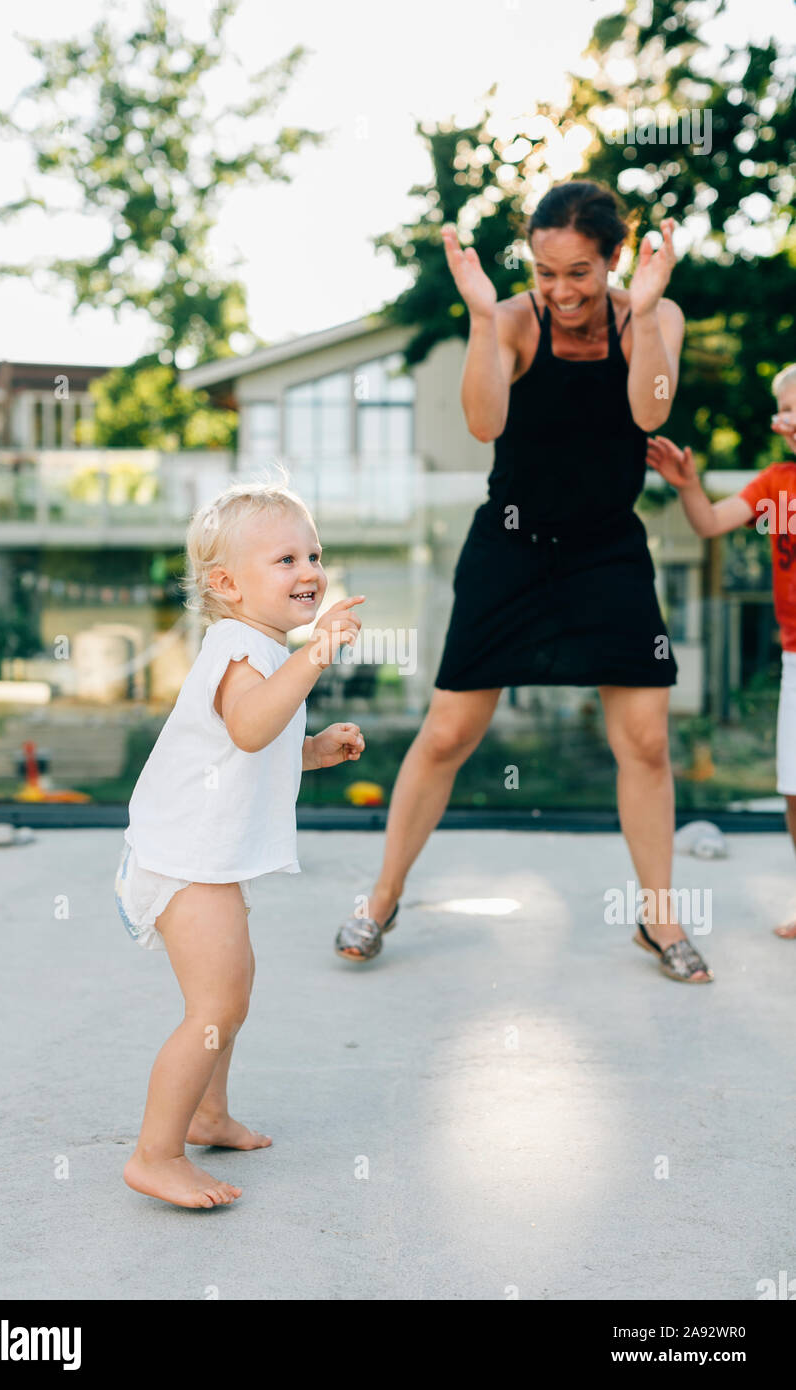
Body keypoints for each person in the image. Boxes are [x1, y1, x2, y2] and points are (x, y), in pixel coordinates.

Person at [334, 178, 713, 983]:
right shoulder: (511, 320)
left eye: (580, 272)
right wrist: (480, 316)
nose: (562, 291)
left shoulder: (655, 314)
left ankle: (660, 918)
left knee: (644, 742)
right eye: (545, 272)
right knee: (446, 736)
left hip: (607, 549)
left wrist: (643, 312)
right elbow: (484, 423)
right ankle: (382, 897)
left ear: (616, 259)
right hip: (511, 548)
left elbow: (650, 412)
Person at [115, 479, 366, 1208]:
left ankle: (207, 1114)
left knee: (233, 994)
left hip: (204, 857)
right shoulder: (239, 646)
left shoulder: (262, 649)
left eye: (313, 554)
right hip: (184, 860)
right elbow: (252, 725)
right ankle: (155, 1154)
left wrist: (316, 748)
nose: (310, 571)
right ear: (227, 584)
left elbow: (258, 740)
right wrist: (317, 654)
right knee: (213, 1006)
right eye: (285, 559)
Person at [646, 363, 796, 939]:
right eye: (784, 408)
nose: (788, 417)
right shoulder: (776, 481)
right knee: (794, 787)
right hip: (795, 657)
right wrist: (688, 485)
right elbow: (710, 524)